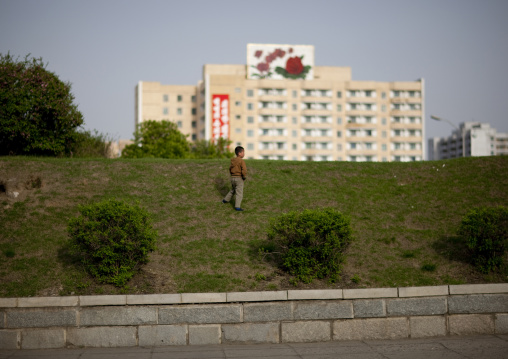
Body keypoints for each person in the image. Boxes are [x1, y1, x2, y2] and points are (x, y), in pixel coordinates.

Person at [222, 146, 247, 211]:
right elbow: (244, 170)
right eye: (243, 152)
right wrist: (244, 177)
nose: (244, 154)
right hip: (239, 178)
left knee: (233, 190)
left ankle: (225, 200)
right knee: (239, 193)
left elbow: (230, 168)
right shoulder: (241, 161)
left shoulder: (233, 161)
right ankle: (237, 207)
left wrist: (232, 174)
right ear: (239, 153)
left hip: (233, 178)